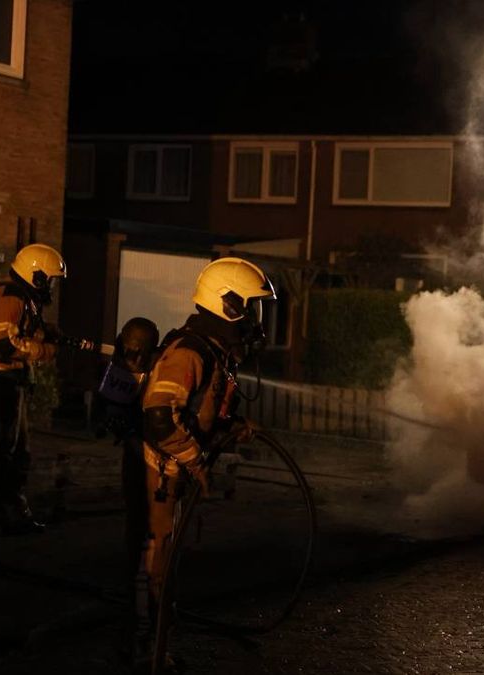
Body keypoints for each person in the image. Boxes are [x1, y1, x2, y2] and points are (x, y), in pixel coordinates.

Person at [139, 257, 275, 665]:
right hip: (165, 473)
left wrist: (231, 425)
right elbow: (160, 419)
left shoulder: (211, 350)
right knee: (157, 556)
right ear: (226, 305)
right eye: (248, 309)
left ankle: (159, 635)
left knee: (168, 556)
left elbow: (198, 408)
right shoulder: (190, 353)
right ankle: (151, 647)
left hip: (176, 469)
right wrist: (196, 461)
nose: (253, 320)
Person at [0, 243, 67, 537]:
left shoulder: (22, 299)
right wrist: (44, 350)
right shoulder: (8, 296)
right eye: (47, 279)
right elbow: (5, 343)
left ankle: (10, 512)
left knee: (16, 453)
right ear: (34, 274)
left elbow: (18, 333)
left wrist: (45, 332)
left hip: (11, 383)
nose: (49, 286)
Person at [94, 316, 161, 661]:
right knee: (136, 538)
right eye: (130, 352)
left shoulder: (162, 373)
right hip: (137, 464)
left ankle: (147, 623)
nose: (135, 360)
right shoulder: (117, 373)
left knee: (156, 545)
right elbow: (108, 417)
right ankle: (133, 625)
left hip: (158, 463)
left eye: (142, 354)